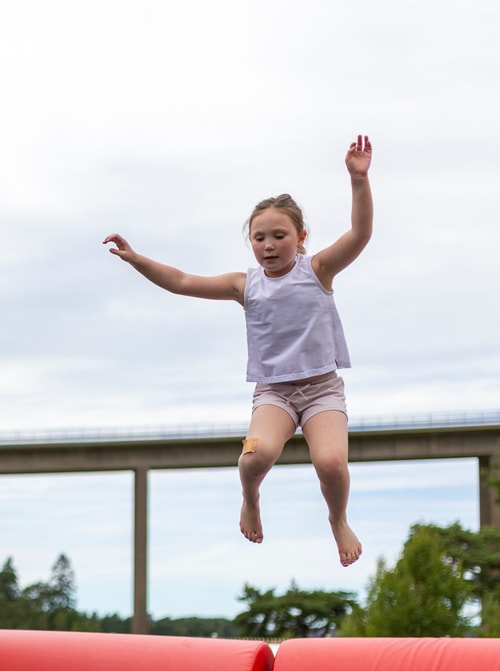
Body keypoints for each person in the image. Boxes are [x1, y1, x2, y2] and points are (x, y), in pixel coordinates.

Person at [103, 135, 373, 567]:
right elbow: (183, 281)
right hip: (274, 394)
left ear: (300, 237)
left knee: (332, 465)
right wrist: (138, 260)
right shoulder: (245, 285)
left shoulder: (318, 270)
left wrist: (358, 180)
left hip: (322, 389)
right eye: (258, 237)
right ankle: (250, 499)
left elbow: (360, 233)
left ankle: (337, 520)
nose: (268, 245)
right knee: (253, 458)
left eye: (279, 236)